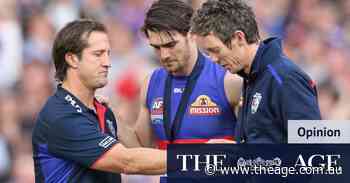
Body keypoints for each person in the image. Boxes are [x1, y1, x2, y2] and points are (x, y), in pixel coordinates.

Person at [31, 19, 166, 183]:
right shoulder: (61, 116)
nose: (107, 63)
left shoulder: (101, 110)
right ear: (72, 59)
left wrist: (114, 115)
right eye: (98, 54)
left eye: (108, 54)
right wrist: (195, 158)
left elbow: (140, 151)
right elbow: (128, 161)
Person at [191, 0, 322, 144]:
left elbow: (313, 152)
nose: (213, 59)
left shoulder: (284, 78)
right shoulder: (251, 77)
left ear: (239, 38)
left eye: (215, 50)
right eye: (208, 53)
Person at [133, 0, 242, 151]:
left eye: (171, 45)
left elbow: (257, 152)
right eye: (156, 47)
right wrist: (110, 117)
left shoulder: (229, 81)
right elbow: (140, 149)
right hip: (169, 174)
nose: (164, 55)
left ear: (192, 34)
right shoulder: (151, 83)